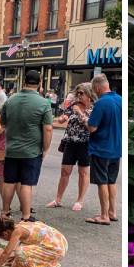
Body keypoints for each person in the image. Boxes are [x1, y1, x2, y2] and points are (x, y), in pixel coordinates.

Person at [0, 70, 53, 221]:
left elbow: (3, 123)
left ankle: (4, 213)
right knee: (26, 183)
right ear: (40, 83)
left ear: (24, 81)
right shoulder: (43, 103)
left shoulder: (10, 100)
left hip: (12, 149)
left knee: (9, 181)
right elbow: (48, 128)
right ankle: (26, 216)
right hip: (32, 150)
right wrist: (45, 148)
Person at [47, 82, 96, 211]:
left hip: (85, 143)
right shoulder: (73, 105)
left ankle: (80, 200)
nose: (78, 96)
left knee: (83, 172)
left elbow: (91, 127)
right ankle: (58, 199)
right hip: (70, 141)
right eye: (77, 93)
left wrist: (80, 112)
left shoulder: (94, 108)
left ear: (89, 95)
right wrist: (61, 118)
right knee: (65, 171)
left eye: (81, 93)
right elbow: (64, 117)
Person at [85, 75, 121, 226]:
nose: (94, 92)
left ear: (98, 87)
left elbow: (92, 127)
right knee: (111, 181)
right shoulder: (120, 99)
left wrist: (85, 120)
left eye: (94, 90)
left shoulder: (101, 103)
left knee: (102, 182)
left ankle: (104, 215)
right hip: (116, 147)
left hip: (101, 148)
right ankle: (112, 212)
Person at [0, 214, 68, 267]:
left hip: (56, 249)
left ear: (5, 233)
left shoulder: (18, 231)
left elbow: (6, 252)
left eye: (2, 237)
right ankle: (47, 263)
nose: (4, 239)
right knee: (17, 257)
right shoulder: (21, 224)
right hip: (60, 241)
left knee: (20, 252)